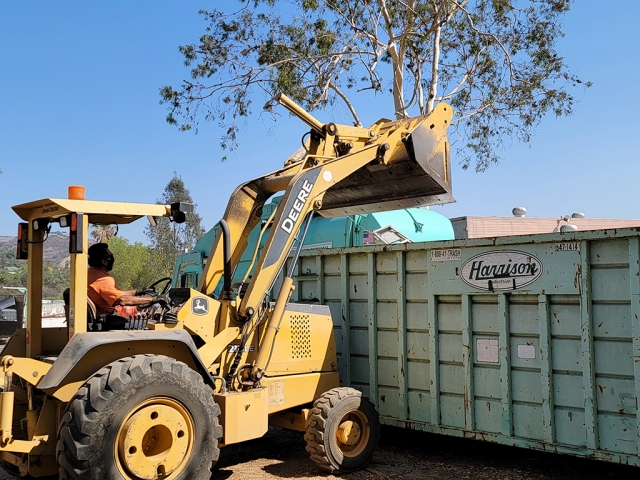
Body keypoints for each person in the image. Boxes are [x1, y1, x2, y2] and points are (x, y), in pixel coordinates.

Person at [87, 243, 168, 329]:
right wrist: (154, 299)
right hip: (110, 321)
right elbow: (121, 300)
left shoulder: (90, 275)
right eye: (110, 256)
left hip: (105, 320)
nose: (112, 259)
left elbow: (118, 294)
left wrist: (139, 292)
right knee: (153, 325)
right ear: (104, 261)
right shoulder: (103, 279)